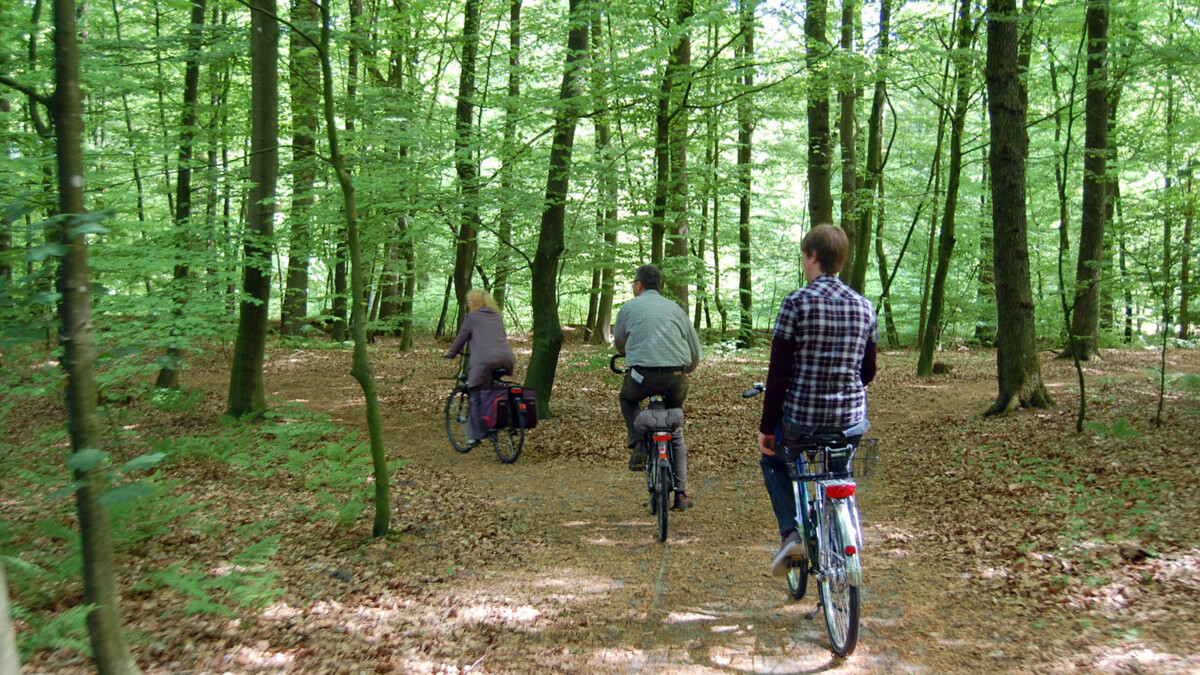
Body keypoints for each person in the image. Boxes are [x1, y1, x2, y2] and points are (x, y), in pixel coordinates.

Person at [757, 224, 878, 576]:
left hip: (801, 421)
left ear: (813, 257)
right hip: (850, 421)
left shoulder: (796, 303)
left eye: (804, 257)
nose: (804, 263)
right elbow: (867, 372)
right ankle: (840, 525)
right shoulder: (865, 307)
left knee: (774, 461)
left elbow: (778, 375)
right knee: (838, 469)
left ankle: (791, 533)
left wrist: (767, 428)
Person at [613, 264, 703, 511]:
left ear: (639, 285)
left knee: (628, 399)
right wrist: (686, 369)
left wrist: (626, 352)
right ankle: (681, 493)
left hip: (641, 377)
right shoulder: (676, 309)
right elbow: (695, 352)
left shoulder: (629, 308)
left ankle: (638, 443)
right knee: (674, 428)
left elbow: (619, 343)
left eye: (634, 283)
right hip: (676, 377)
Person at [443, 289, 516, 449]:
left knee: (475, 394)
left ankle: (475, 436)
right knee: (492, 390)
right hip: (506, 358)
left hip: (484, 360)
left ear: (475, 303)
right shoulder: (497, 317)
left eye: (469, 302)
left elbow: (462, 337)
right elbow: (501, 336)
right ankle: (504, 421)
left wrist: (451, 353)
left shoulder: (472, 318)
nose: (468, 305)